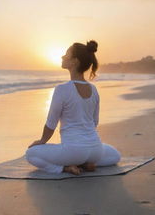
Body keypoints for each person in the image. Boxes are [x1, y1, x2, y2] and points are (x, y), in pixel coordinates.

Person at [25, 40, 121, 175]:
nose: (62, 57)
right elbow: (94, 122)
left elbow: (51, 124)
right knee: (115, 155)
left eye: (66, 54)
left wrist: (42, 141)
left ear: (75, 61)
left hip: (73, 151)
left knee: (31, 154)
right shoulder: (93, 90)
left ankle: (64, 168)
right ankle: (87, 163)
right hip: (96, 150)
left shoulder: (62, 89)